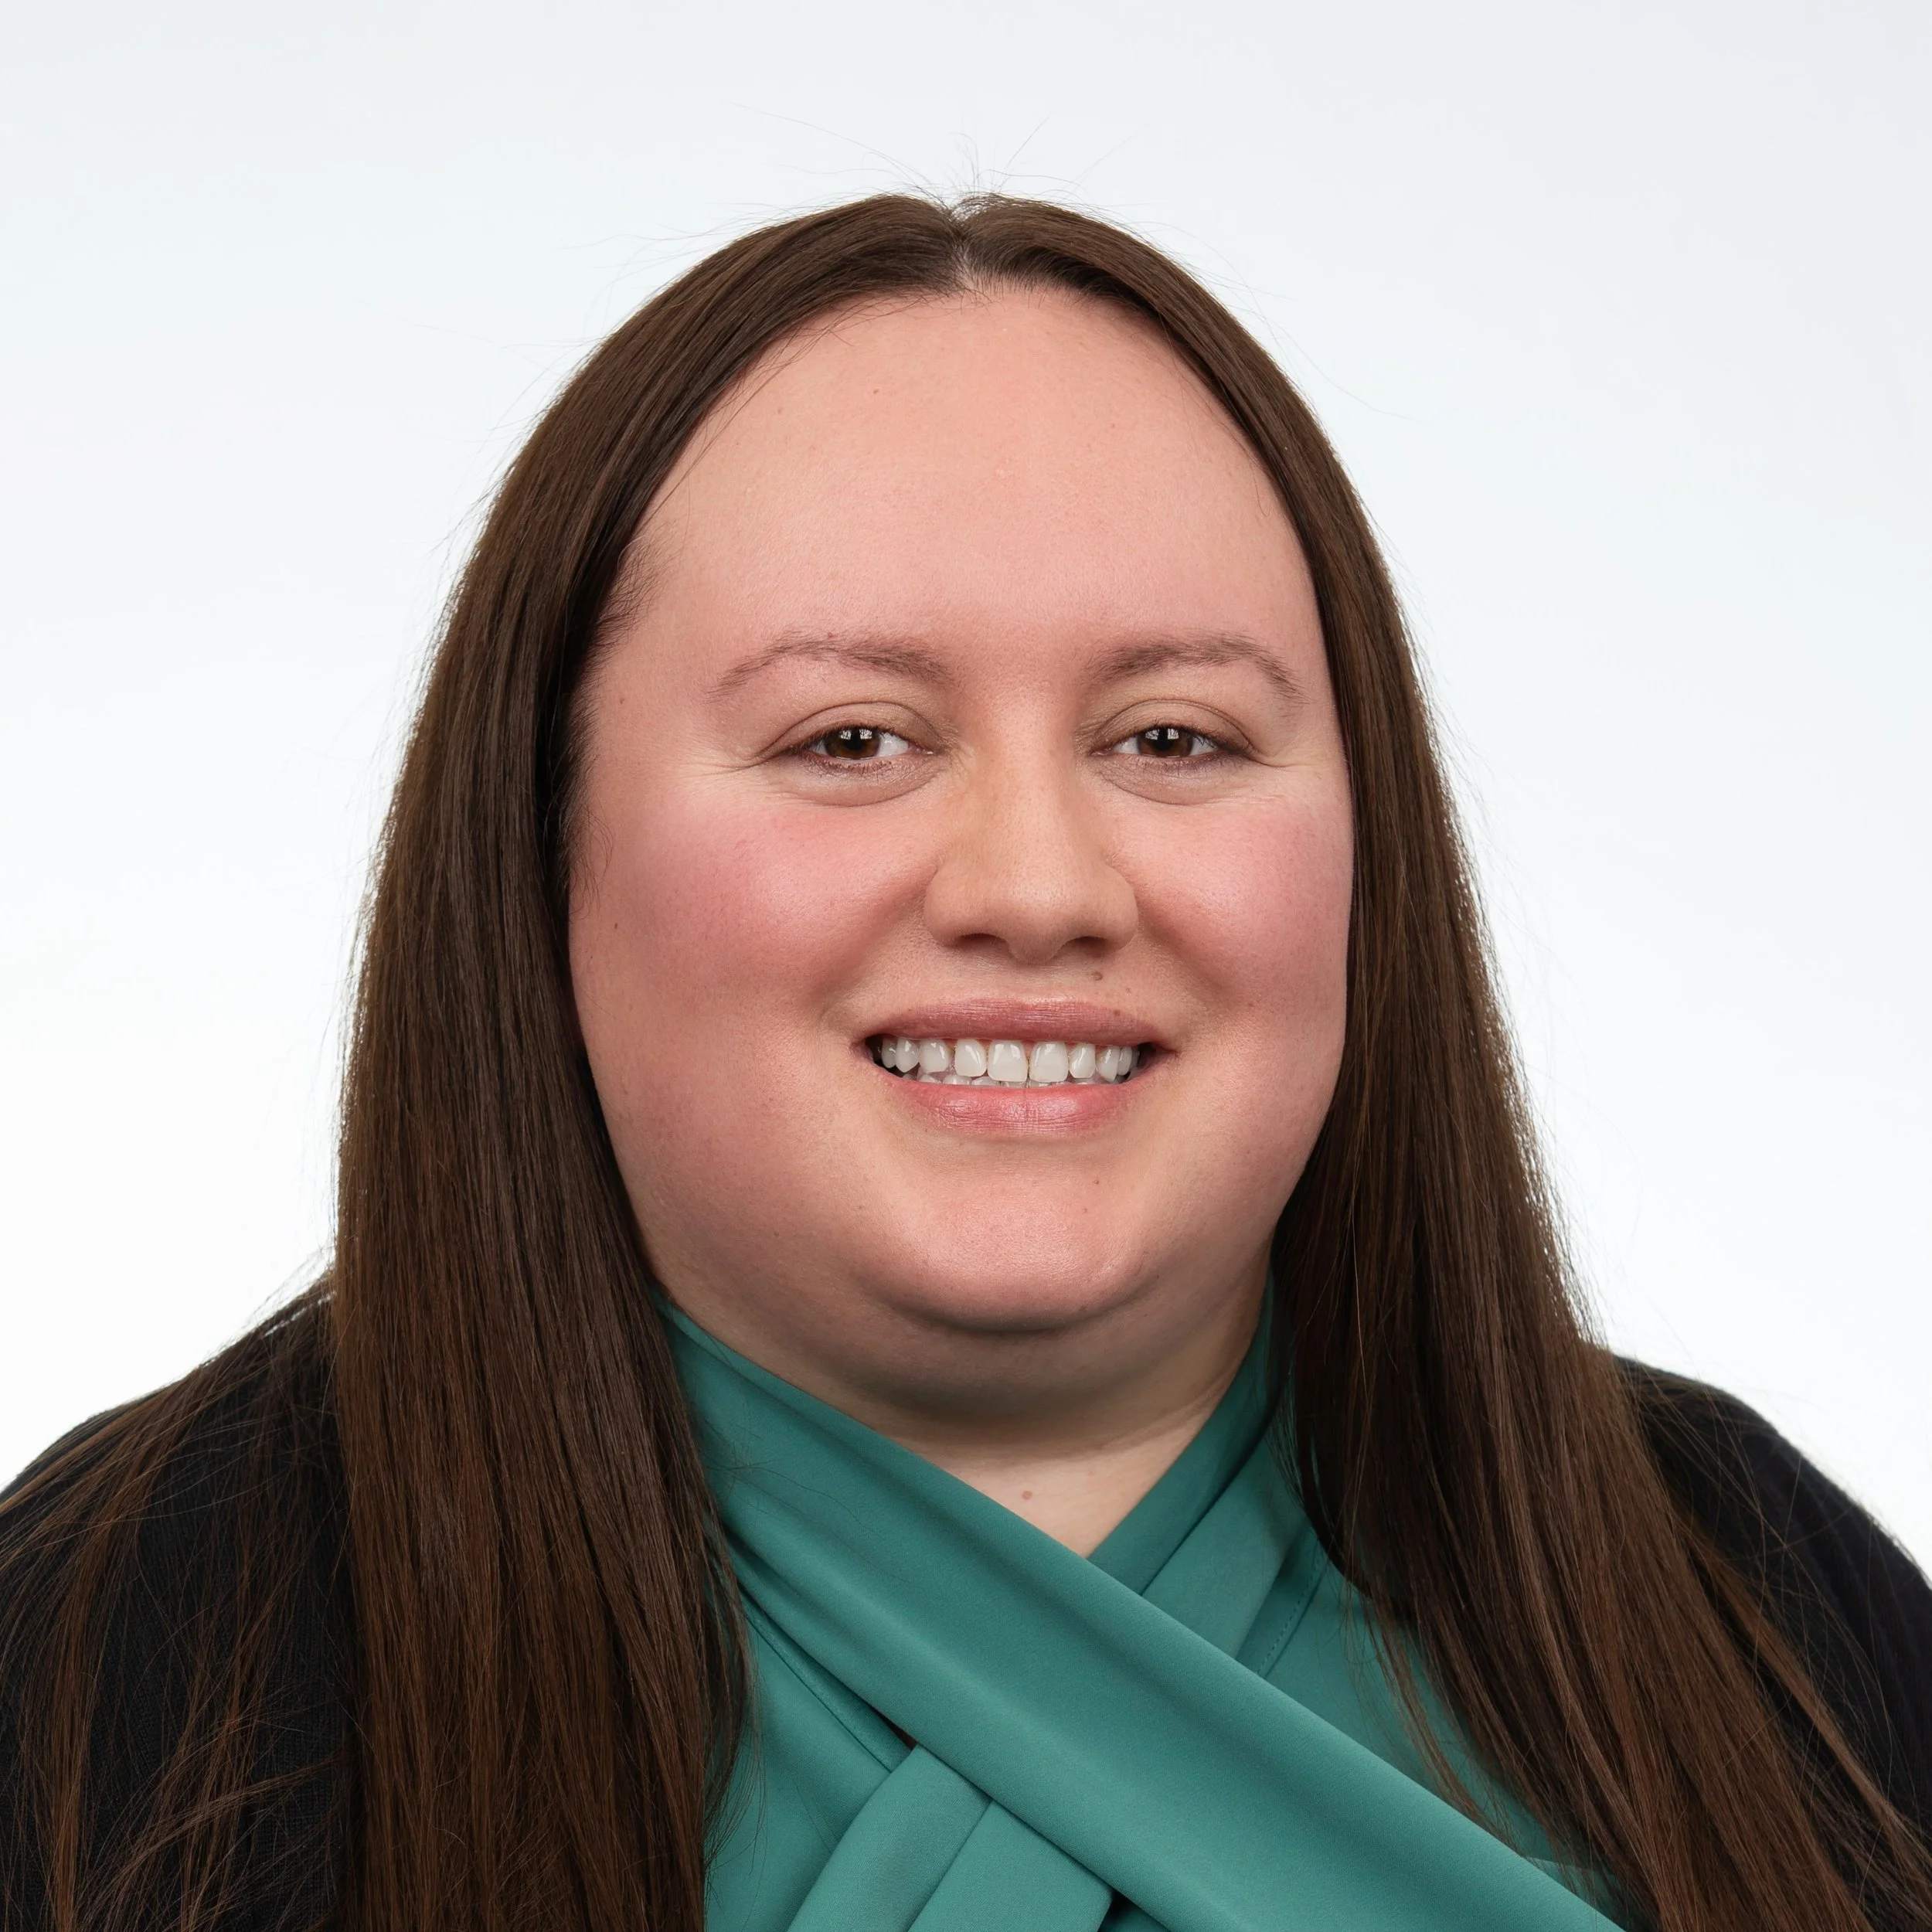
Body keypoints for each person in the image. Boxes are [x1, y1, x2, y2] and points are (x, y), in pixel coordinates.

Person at [2, 192, 1927, 1932]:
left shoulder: (1754, 1601)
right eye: (851, 739)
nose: (1034, 884)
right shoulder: (101, 1644)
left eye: (1172, 739)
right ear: (538, 851)